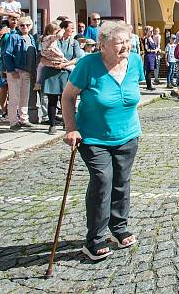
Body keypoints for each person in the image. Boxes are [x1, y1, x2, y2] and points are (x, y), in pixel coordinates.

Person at [61, 21, 143, 261]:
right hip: (94, 137)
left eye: (127, 41)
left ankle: (119, 228)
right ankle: (94, 239)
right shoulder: (88, 65)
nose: (125, 46)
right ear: (103, 45)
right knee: (102, 180)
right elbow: (67, 98)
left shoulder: (135, 62)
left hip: (127, 135)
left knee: (121, 181)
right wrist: (71, 129)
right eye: (119, 43)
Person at [41, 20, 83, 135]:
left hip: (66, 73)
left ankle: (67, 122)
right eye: (71, 28)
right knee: (52, 100)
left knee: (67, 100)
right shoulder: (53, 40)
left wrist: (65, 65)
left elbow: (78, 58)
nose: (73, 30)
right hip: (51, 73)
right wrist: (53, 64)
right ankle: (52, 125)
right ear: (63, 29)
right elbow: (43, 57)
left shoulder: (74, 42)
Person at [2, 16, 38, 131]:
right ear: (18, 26)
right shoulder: (13, 37)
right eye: (22, 25)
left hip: (27, 71)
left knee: (24, 96)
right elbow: (7, 54)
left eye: (27, 25)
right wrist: (11, 70)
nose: (25, 27)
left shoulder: (31, 38)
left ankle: (24, 118)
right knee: (14, 97)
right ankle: (13, 121)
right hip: (16, 70)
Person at [142, 26, 158, 91]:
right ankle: (149, 86)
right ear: (147, 31)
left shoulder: (151, 38)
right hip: (149, 56)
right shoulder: (146, 39)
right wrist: (154, 50)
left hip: (153, 56)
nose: (152, 32)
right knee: (148, 71)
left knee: (151, 71)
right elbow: (147, 49)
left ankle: (150, 84)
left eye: (152, 31)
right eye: (150, 31)